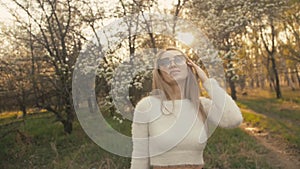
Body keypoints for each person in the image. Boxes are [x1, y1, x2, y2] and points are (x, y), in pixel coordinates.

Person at [130, 47, 243, 169]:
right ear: (159, 73)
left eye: (178, 59)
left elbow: (234, 119)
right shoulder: (146, 107)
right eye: (165, 62)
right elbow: (139, 156)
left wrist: (207, 81)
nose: (172, 64)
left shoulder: (201, 105)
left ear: (189, 67)